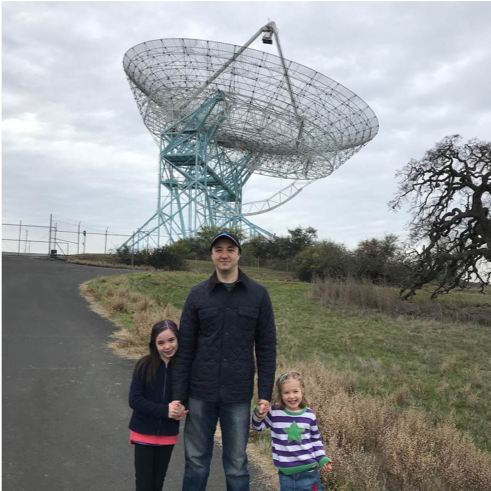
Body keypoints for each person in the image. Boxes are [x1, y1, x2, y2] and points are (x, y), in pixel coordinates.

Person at [172, 231, 277, 491]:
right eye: (218, 249)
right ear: (211, 255)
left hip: (238, 394)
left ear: (239, 254)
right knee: (196, 461)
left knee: (237, 463)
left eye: (230, 249)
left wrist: (264, 393)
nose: (224, 254)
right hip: (200, 392)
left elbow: (266, 348)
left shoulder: (259, 295)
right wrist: (178, 395)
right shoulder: (197, 295)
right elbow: (185, 349)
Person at [128, 320, 188, 491]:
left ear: (178, 339)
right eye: (161, 342)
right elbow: (134, 400)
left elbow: (188, 395)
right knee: (144, 484)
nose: (167, 346)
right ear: (154, 344)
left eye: (171, 340)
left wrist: (183, 407)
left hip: (167, 435)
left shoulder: (183, 369)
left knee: (157, 483)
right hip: (143, 433)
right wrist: (165, 410)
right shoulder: (144, 365)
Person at [252, 371, 332, 491]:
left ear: (302, 391)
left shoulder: (309, 415)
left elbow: (315, 440)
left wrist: (322, 458)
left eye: (295, 391)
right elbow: (258, 427)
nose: (291, 396)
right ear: (280, 394)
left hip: (309, 472)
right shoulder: (274, 412)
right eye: (286, 392)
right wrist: (258, 414)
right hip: (285, 475)